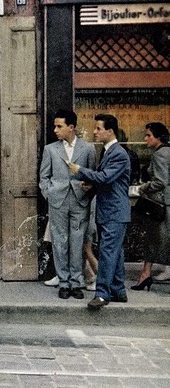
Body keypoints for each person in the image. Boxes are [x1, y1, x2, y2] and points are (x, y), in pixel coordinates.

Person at [69, 114, 131, 310]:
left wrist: (79, 170)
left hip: (114, 212)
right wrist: (92, 186)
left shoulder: (118, 154)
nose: (95, 132)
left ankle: (103, 294)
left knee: (107, 253)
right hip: (111, 211)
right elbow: (108, 182)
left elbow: (105, 177)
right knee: (115, 252)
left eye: (98, 128)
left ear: (110, 131)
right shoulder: (109, 152)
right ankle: (118, 290)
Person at [39, 109, 96, 300]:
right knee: (60, 241)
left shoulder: (88, 149)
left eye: (59, 126)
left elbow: (92, 174)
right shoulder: (50, 149)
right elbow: (43, 177)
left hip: (80, 201)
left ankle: (76, 282)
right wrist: (49, 193)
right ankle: (64, 282)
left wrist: (88, 190)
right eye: (55, 126)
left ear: (71, 127)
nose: (55, 129)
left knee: (78, 242)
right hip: (58, 201)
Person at [131, 122, 170, 291]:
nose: (145, 138)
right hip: (165, 204)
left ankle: (145, 276)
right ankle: (144, 276)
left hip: (160, 205)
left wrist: (142, 188)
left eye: (148, 135)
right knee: (154, 242)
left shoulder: (159, 155)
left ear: (158, 137)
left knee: (154, 241)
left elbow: (160, 182)